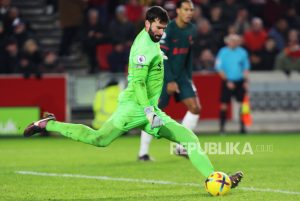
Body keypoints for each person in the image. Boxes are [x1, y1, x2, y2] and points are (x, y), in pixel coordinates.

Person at [24, 6, 243, 188]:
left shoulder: (150, 38)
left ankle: (215, 179)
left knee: (189, 139)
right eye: (158, 28)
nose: (161, 32)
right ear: (147, 24)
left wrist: (151, 107)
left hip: (148, 107)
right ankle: (49, 125)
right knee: (99, 139)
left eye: (163, 28)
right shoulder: (143, 48)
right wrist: (148, 111)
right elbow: (137, 82)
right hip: (134, 107)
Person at [138, 0, 200, 161]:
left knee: (195, 107)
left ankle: (180, 147)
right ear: (178, 11)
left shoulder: (192, 29)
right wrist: (170, 80)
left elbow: (189, 56)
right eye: (186, 9)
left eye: (191, 10)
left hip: (182, 76)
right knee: (153, 112)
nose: (189, 12)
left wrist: (189, 77)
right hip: (162, 76)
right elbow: (161, 57)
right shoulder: (168, 29)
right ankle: (143, 153)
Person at [215, 34, 250, 134]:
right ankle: (222, 128)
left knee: (242, 105)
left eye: (236, 40)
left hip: (240, 81)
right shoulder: (223, 52)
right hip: (227, 81)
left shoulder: (242, 52)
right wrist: (227, 81)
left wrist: (246, 81)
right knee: (224, 105)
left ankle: (243, 128)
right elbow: (219, 68)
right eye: (232, 40)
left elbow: (245, 68)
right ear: (228, 41)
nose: (234, 42)